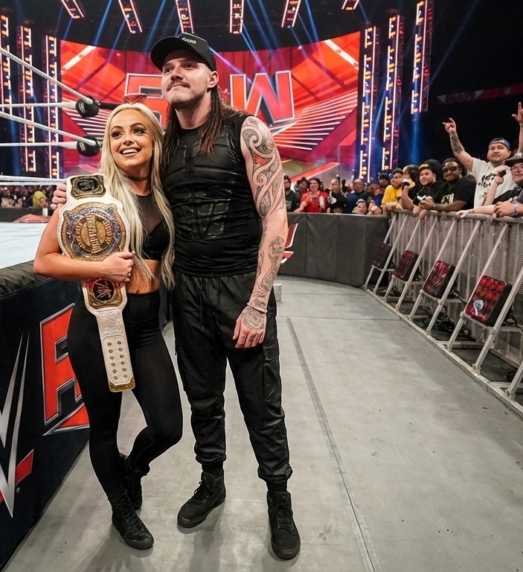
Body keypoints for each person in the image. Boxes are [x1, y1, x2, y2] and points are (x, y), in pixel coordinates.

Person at [150, 33, 298, 559]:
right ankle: (212, 482)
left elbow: (275, 216)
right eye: (168, 67)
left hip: (240, 287)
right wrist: (69, 201)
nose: (176, 72)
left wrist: (257, 303)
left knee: (263, 407)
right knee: (203, 401)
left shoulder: (246, 130)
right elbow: (128, 195)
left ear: (212, 78)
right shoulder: (162, 144)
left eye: (188, 64)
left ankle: (279, 501)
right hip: (187, 290)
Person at [34, 103, 182, 551]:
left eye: (138, 130)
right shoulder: (88, 194)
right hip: (97, 325)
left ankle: (131, 470)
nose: (126, 140)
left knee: (168, 428)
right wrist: (99, 266)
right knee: (103, 428)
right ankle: (121, 510)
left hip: (146, 325)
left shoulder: (170, 191)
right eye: (116, 134)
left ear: (155, 139)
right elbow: (44, 261)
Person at [443, 102, 523, 207]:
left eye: (500, 148)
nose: (496, 150)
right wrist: (453, 133)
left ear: (508, 153)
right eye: (492, 148)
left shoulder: (513, 168)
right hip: (479, 215)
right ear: (487, 154)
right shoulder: (481, 167)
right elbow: (459, 152)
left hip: (502, 214)